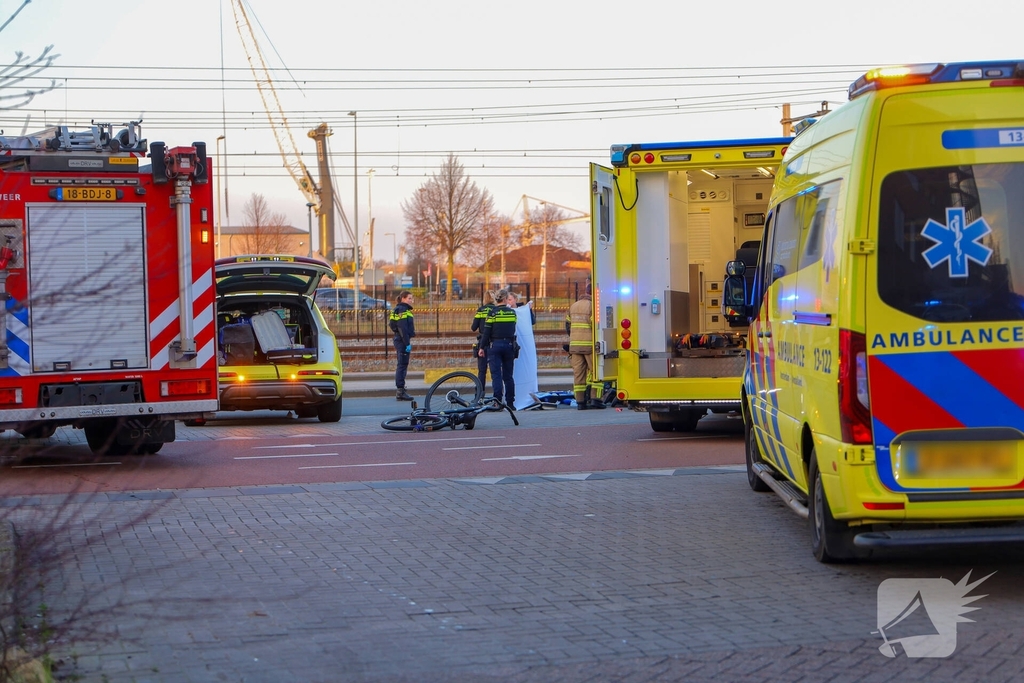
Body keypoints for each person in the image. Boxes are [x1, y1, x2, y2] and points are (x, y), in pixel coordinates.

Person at [566, 283, 605, 410]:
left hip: (575, 347)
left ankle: (580, 402)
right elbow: (596, 326)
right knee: (596, 373)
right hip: (590, 346)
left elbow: (567, 325)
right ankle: (596, 399)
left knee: (579, 375)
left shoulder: (573, 306)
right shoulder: (593, 306)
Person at [478, 289, 517, 409]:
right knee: (508, 376)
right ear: (505, 299)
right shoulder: (512, 313)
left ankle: (497, 402)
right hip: (509, 345)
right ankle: (510, 403)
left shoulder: (492, 313)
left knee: (496, 375)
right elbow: (513, 329)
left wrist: (481, 347)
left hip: (494, 346)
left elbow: (486, 332)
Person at [510, 292, 539, 411]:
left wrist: (529, 310)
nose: (509, 302)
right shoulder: (507, 311)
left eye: (510, 300)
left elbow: (532, 321)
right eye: (507, 300)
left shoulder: (523, 310)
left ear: (515, 299)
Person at [389, 290, 415, 401]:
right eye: (409, 298)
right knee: (402, 365)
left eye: (412, 298)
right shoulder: (403, 310)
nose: (411, 300)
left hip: (400, 339)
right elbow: (402, 328)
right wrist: (407, 343)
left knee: (402, 364)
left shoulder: (397, 309)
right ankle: (400, 391)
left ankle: (401, 389)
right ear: (403, 298)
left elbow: (392, 325)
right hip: (402, 340)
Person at [471, 290, 498, 388]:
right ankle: (497, 397)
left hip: (482, 342)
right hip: (494, 342)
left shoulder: (481, 310)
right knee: (495, 371)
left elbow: (473, 327)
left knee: (482, 371)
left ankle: (479, 395)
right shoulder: (496, 309)